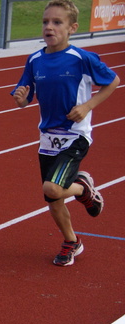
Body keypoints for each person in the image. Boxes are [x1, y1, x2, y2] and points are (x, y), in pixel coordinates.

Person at [11, 0, 119, 266]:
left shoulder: (82, 58)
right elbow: (25, 96)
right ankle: (72, 241)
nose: (49, 27)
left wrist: (87, 106)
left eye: (57, 22)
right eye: (46, 21)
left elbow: (113, 80)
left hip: (76, 135)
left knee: (52, 187)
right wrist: (22, 98)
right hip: (47, 138)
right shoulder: (34, 59)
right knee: (52, 197)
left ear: (72, 28)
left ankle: (83, 189)